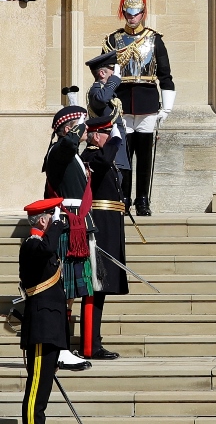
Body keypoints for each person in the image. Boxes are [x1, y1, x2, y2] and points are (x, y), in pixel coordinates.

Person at [102, 0, 175, 216]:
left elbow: (165, 75)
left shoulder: (155, 40)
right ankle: (124, 198)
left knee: (144, 156)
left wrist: (166, 107)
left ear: (143, 13)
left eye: (136, 13)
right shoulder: (113, 39)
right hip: (121, 102)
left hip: (146, 103)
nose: (132, 17)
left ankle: (142, 199)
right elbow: (103, 73)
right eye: (128, 13)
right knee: (123, 156)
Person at [42, 105, 95, 372]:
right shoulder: (59, 150)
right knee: (63, 292)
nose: (86, 128)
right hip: (66, 225)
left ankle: (62, 347)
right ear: (67, 129)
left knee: (71, 293)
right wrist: (76, 131)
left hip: (77, 223)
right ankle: (60, 349)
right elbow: (68, 145)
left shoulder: (70, 152)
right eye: (80, 123)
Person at [79, 114, 129, 360]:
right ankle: (89, 345)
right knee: (94, 287)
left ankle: (93, 341)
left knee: (101, 288)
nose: (113, 139)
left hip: (110, 227)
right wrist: (114, 142)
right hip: (99, 228)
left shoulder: (101, 156)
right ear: (97, 135)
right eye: (108, 134)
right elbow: (103, 160)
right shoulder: (90, 156)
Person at [19, 197, 70, 424]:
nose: (55, 220)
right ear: (42, 220)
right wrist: (57, 225)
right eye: (51, 216)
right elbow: (47, 245)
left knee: (43, 391)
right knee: (36, 394)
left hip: (51, 330)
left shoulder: (43, 248)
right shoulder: (31, 244)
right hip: (41, 329)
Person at [85, 51, 131, 177]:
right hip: (107, 150)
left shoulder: (107, 92)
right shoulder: (96, 91)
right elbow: (101, 99)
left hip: (116, 152)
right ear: (102, 73)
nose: (116, 74)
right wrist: (114, 80)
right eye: (112, 70)